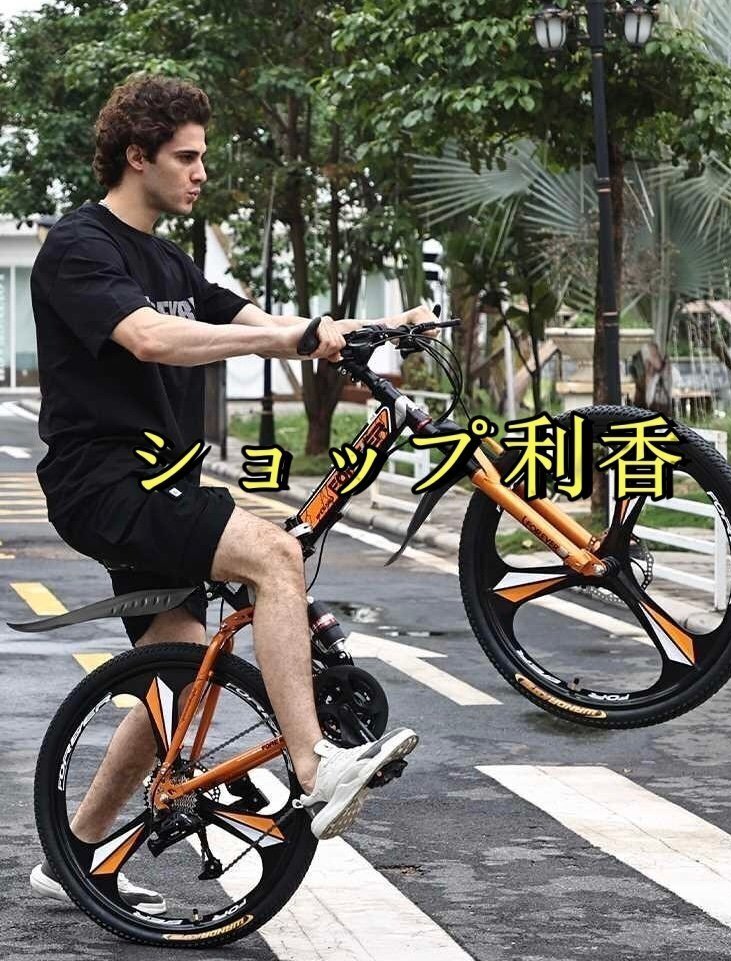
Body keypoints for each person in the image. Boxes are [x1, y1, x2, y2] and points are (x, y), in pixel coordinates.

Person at [28, 74, 423, 913]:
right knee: (274, 555)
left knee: (178, 684)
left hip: (153, 479)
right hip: (108, 480)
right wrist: (285, 339)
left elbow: (255, 318)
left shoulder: (171, 258)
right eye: (186, 156)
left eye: (202, 155)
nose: (201, 171)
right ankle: (315, 767)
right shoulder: (80, 247)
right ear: (137, 156)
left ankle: (75, 854)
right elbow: (150, 338)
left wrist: (377, 331)